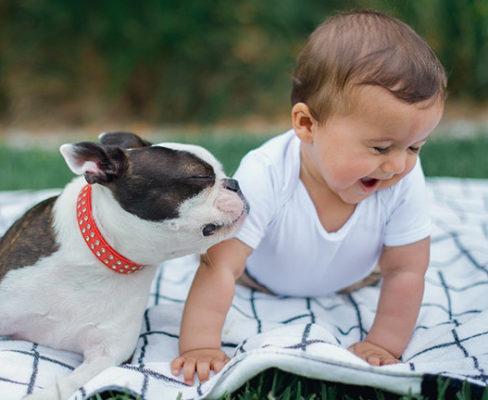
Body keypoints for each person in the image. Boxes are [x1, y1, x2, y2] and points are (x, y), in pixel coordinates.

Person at [171, 10, 447, 385]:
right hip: (260, 279)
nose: (397, 164)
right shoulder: (268, 172)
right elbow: (220, 266)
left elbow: (407, 269)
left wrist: (384, 344)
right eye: (381, 147)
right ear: (307, 125)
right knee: (214, 251)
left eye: (415, 146)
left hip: (356, 278)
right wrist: (199, 346)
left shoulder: (402, 178)